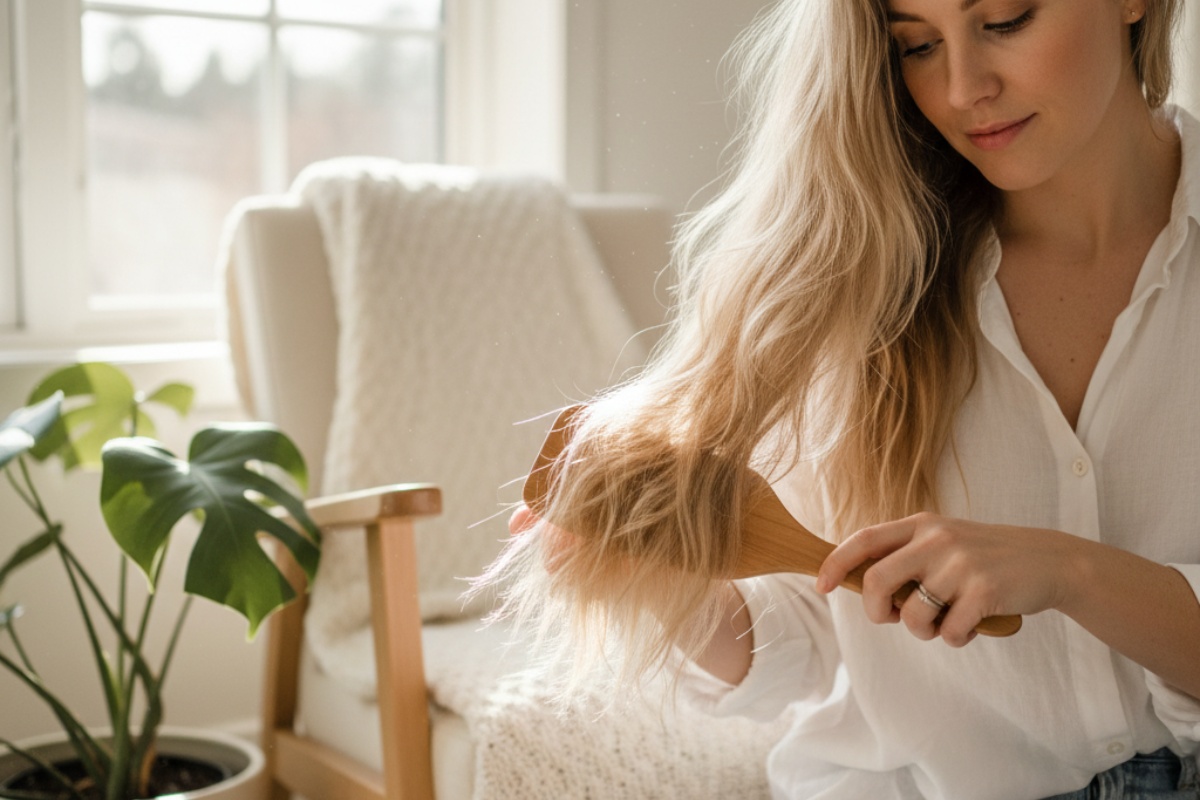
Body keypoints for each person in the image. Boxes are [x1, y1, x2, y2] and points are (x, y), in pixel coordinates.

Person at [482, 0, 1200, 796]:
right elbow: (812, 636)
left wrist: (1074, 573)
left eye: (1004, 19)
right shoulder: (858, 283)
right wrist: (662, 587)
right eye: (917, 45)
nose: (962, 89)